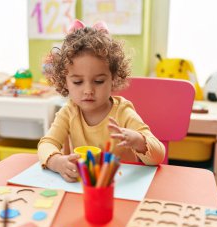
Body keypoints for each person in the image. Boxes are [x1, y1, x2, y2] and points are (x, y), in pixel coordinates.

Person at [38, 19, 165, 182]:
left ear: (113, 78)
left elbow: (158, 155)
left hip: (121, 189)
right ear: (65, 82)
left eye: (98, 81)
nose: (88, 90)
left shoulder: (123, 112)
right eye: (77, 82)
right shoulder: (68, 112)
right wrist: (56, 162)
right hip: (81, 189)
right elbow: (46, 144)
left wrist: (138, 141)